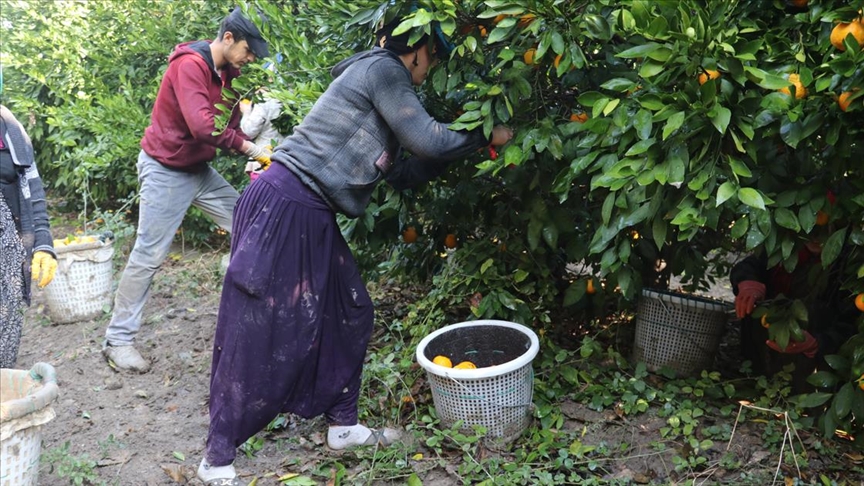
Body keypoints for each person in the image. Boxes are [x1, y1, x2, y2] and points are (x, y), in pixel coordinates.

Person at [196, 18, 514, 484]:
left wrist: (462, 147)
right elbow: (429, 140)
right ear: (417, 51)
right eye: (432, 58)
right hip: (288, 204)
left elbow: (404, 173)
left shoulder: (382, 89)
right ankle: (217, 456)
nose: (430, 69)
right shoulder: (384, 69)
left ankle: (342, 424)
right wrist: (485, 134)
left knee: (350, 311)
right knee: (260, 327)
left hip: (310, 210)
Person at [102, 7, 272, 373]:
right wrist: (249, 149)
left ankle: (263, 316)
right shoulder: (189, 65)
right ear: (229, 38)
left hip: (198, 169)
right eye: (248, 50)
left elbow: (230, 127)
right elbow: (203, 127)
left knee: (251, 223)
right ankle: (118, 340)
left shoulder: (230, 74)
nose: (250, 58)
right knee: (149, 255)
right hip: (165, 169)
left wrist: (261, 154)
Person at [730, 218, 857, 387]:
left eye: (824, 231)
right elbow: (750, 266)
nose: (816, 237)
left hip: (810, 368)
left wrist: (818, 343)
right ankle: (754, 377)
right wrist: (748, 283)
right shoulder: (786, 247)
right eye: (812, 230)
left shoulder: (848, 265)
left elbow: (850, 324)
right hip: (762, 348)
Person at [0, 103, 57, 368]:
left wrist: (43, 243)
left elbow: (32, 190)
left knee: (6, 332)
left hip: (8, 260)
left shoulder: (10, 128)